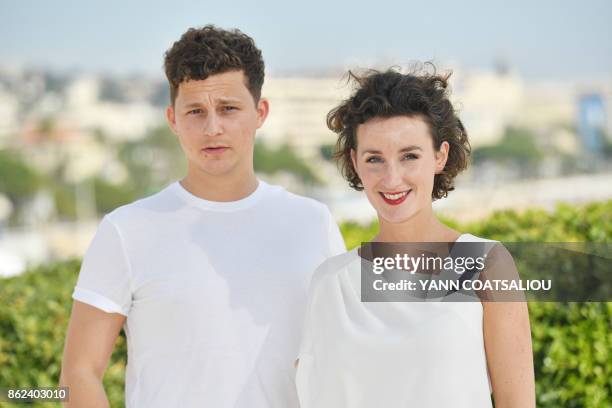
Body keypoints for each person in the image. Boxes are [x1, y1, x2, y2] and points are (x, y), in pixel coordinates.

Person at [59, 25, 345, 407]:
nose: (213, 128)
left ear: (260, 113)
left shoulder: (314, 223)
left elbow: (343, 358)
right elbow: (78, 373)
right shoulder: (126, 230)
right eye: (195, 111)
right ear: (173, 119)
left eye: (228, 108)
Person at [294, 66, 535, 407]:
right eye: (374, 158)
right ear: (355, 162)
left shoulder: (486, 266)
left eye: (409, 156)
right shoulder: (330, 283)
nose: (392, 179)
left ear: (440, 155)